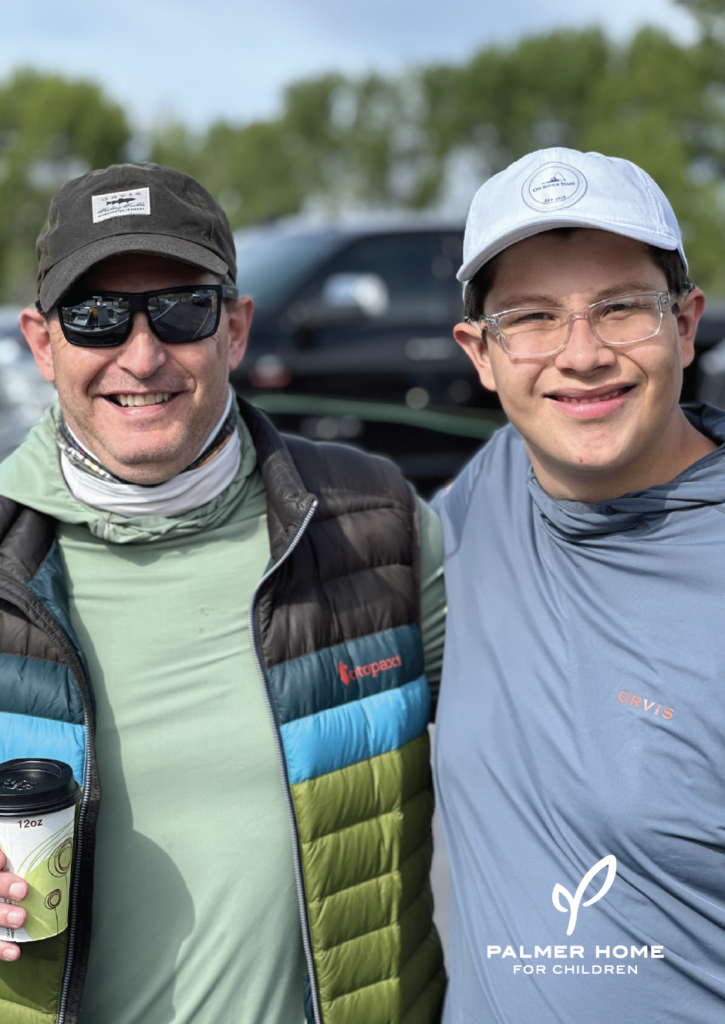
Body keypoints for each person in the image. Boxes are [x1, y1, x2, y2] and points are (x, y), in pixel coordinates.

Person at [0, 163, 446, 1024]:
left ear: (234, 329)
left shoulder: (378, 523)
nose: (141, 354)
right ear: (41, 342)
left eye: (181, 310)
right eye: (95, 318)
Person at [432, 147, 725, 1022]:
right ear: (481, 354)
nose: (581, 355)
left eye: (620, 309)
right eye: (530, 318)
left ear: (685, 324)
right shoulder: (481, 494)